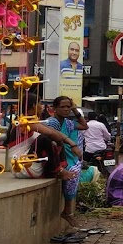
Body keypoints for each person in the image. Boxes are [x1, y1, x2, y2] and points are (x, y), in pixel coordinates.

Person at [44, 96, 88, 227]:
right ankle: (67, 211)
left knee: (76, 169)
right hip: (57, 156)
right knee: (73, 173)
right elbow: (53, 138)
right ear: (54, 109)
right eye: (62, 107)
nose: (66, 109)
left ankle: (68, 211)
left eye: (68, 107)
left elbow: (84, 126)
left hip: (68, 156)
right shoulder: (52, 122)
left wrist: (75, 110)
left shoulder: (68, 123)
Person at [81, 111, 112, 176]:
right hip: (101, 148)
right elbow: (107, 136)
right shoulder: (101, 125)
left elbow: (81, 136)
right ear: (96, 117)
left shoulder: (85, 125)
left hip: (89, 149)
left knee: (85, 165)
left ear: (87, 118)